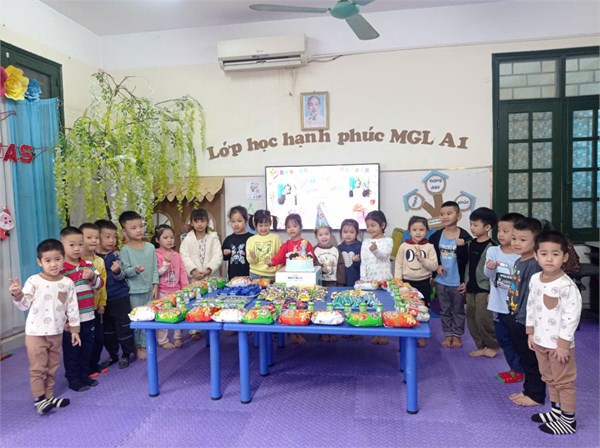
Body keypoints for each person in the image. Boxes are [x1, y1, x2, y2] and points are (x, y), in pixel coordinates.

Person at [9, 239, 81, 415]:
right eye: (48, 261)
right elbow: (24, 305)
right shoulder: (34, 281)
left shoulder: (67, 283)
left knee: (53, 366)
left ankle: (49, 396)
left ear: (63, 258)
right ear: (39, 262)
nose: (53, 264)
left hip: (56, 332)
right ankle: (39, 399)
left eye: (57, 259)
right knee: (38, 367)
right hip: (36, 333)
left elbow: (72, 307)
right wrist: (18, 295)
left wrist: (75, 329)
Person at [526, 230, 582, 435]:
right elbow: (531, 305)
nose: (549, 259)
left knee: (564, 382)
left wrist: (563, 345)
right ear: (536, 255)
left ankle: (568, 420)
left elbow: (571, 316)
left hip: (559, 345)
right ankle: (556, 411)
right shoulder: (535, 279)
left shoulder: (566, 286)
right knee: (549, 378)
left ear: (564, 257)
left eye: (555, 254)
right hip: (540, 341)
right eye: (544, 253)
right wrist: (531, 332)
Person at [506, 217, 545, 407]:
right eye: (514, 238)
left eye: (523, 240)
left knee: (531, 359)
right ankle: (528, 390)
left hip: (525, 320)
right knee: (524, 356)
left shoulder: (534, 265)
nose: (516, 243)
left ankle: (536, 395)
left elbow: (533, 297)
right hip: (516, 316)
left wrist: (528, 323)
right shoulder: (519, 261)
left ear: (536, 242)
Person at [60, 226, 104, 392]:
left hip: (88, 316)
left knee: (87, 349)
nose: (77, 248)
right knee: (72, 351)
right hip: (71, 321)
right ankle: (73, 379)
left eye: (80, 244)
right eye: (71, 245)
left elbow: (99, 285)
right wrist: (64, 319)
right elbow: (59, 297)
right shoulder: (61, 270)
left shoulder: (89, 265)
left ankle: (84, 375)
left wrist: (92, 277)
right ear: (62, 246)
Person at [484, 212, 524, 384]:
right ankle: (515, 369)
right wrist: (490, 268)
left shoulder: (522, 256)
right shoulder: (493, 251)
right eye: (499, 230)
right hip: (498, 305)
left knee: (518, 340)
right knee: (503, 339)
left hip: (517, 308)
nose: (500, 234)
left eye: (506, 231)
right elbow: (488, 275)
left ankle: (520, 370)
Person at [429, 201, 472, 349]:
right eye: (442, 214)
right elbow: (432, 257)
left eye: (449, 213)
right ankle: (447, 335)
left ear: (458, 216)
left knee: (458, 310)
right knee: (445, 310)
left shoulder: (465, 237)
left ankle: (457, 336)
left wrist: (466, 281)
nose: (445, 217)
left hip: (458, 282)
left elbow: (469, 262)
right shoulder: (435, 236)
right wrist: (437, 267)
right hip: (441, 281)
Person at [119, 211, 159, 359]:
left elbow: (155, 268)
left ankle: (146, 344)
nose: (138, 230)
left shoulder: (150, 247)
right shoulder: (125, 250)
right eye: (133, 227)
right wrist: (134, 270)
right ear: (124, 231)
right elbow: (124, 271)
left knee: (149, 317)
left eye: (141, 226)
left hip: (150, 289)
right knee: (137, 319)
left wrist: (155, 285)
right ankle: (138, 347)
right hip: (134, 291)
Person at [95, 219, 134, 369]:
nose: (112, 240)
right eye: (107, 237)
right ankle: (113, 355)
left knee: (123, 325)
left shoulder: (117, 255)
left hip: (119, 296)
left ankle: (126, 354)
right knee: (108, 329)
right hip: (103, 301)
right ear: (98, 237)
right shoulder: (93, 258)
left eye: (114, 237)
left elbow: (123, 276)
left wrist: (117, 271)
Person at [394, 216, 438, 347]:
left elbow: (434, 266)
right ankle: (407, 334)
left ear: (427, 231)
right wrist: (398, 281)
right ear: (409, 231)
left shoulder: (429, 247)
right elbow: (398, 264)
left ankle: (421, 335)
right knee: (406, 309)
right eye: (414, 230)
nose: (418, 233)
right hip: (406, 283)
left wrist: (422, 259)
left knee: (423, 309)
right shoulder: (404, 246)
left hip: (423, 283)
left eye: (421, 230)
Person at [180, 208, 223, 341]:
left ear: (207, 222)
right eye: (196, 221)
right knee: (194, 302)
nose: (199, 224)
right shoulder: (187, 239)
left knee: (211, 301)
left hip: (210, 275)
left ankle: (212, 327)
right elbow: (184, 256)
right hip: (195, 277)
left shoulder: (213, 237)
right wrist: (194, 271)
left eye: (202, 221)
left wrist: (209, 269)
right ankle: (194, 329)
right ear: (192, 223)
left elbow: (218, 256)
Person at [464, 207, 499, 358]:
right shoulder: (470, 244)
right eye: (471, 224)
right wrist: (464, 282)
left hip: (484, 289)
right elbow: (468, 266)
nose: (472, 228)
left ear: (487, 227)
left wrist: (492, 291)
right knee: (471, 318)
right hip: (470, 287)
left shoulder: (493, 247)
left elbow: (495, 272)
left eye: (475, 225)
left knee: (483, 318)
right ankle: (481, 346)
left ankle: (493, 345)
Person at [79, 222, 108, 378]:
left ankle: (94, 364)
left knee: (99, 339)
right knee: (84, 340)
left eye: (96, 237)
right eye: (89, 237)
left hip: (96, 307)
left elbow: (103, 284)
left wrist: (102, 303)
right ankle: (85, 369)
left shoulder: (99, 261)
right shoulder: (76, 262)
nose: (94, 240)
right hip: (81, 309)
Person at [360, 210, 394, 345]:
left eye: (373, 225)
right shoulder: (365, 242)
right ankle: (374, 332)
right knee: (371, 306)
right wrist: (363, 278)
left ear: (382, 225)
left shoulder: (388, 240)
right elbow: (363, 261)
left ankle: (383, 333)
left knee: (384, 306)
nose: (370, 229)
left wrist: (375, 250)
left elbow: (384, 256)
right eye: (368, 226)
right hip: (369, 280)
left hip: (383, 279)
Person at [153, 224, 188, 349]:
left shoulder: (176, 255)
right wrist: (166, 263)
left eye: (172, 237)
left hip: (177, 291)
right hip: (162, 291)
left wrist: (185, 288)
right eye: (165, 237)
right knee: (163, 315)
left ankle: (178, 337)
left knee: (178, 313)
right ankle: (163, 340)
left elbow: (182, 272)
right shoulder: (155, 254)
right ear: (157, 240)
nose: (169, 240)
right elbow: (156, 273)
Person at [246, 209, 281, 281]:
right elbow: (251, 261)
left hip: (272, 274)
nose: (263, 228)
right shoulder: (251, 240)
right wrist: (253, 257)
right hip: (255, 274)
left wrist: (277, 268)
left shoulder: (276, 238)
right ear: (255, 224)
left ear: (270, 223)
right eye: (260, 225)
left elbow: (280, 256)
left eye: (266, 225)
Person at [222, 206, 253, 279]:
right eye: (233, 221)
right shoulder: (228, 239)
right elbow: (224, 257)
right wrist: (225, 253)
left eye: (239, 221)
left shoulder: (252, 238)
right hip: (233, 277)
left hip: (248, 276)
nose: (236, 224)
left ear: (246, 221)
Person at [338, 218, 361, 287]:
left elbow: (364, 265)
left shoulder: (360, 246)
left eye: (351, 232)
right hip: (342, 280)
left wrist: (357, 261)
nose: (348, 235)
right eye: (345, 232)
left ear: (357, 233)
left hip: (356, 279)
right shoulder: (339, 248)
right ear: (341, 233)